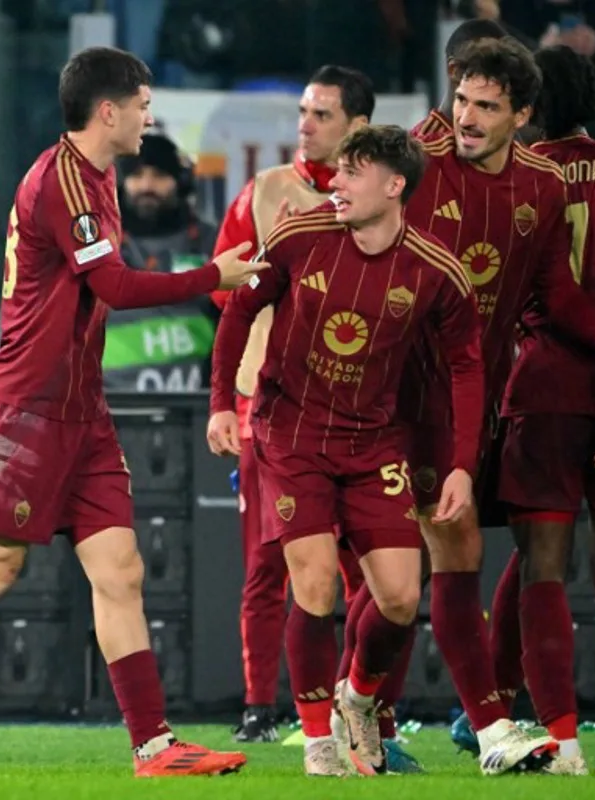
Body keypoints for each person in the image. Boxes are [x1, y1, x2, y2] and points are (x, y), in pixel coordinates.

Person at [0, 46, 265, 777]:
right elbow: (116, 288)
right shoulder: (61, 182)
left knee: (120, 569)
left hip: (81, 410)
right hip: (28, 409)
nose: (151, 116)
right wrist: (214, 276)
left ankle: (154, 748)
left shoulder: (97, 172)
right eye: (144, 103)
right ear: (110, 110)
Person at [207, 125, 484, 776]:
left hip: (372, 439)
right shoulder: (300, 234)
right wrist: (222, 400)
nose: (337, 183)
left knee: (398, 598)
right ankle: (317, 743)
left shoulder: (436, 270)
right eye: (338, 171)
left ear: (394, 188)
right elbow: (239, 312)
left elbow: (467, 368)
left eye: (354, 174)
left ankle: (355, 698)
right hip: (290, 431)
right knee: (317, 584)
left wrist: (462, 467)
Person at [397, 37, 595, 775]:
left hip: (503, 391)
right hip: (418, 390)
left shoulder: (540, 182)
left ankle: (379, 700)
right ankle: (520, 727)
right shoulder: (420, 159)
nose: (466, 115)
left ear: (524, 112)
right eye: (461, 97)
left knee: (460, 567)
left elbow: (553, 292)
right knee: (412, 569)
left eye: (485, 104)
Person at [209, 64, 407, 759]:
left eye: (322, 114)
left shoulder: (380, 205)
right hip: (274, 407)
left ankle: (367, 712)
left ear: (359, 126)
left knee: (374, 578)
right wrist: (234, 395)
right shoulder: (266, 196)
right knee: (272, 566)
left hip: (359, 418)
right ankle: (264, 706)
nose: (305, 124)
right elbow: (225, 289)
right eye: (303, 112)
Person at [476, 45, 595, 776]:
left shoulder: (515, 179)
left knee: (539, 568)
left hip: (539, 387)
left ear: (525, 103)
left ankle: (560, 740)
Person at [103, 131, 219, 393]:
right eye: (136, 176)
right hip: (113, 408)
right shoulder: (95, 245)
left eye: (159, 176)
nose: (147, 186)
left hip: (197, 408)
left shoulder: (212, 241)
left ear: (180, 182)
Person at [411, 18, 509, 139]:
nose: (500, 84)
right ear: (455, 71)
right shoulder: (421, 147)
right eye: (491, 72)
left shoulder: (509, 135)